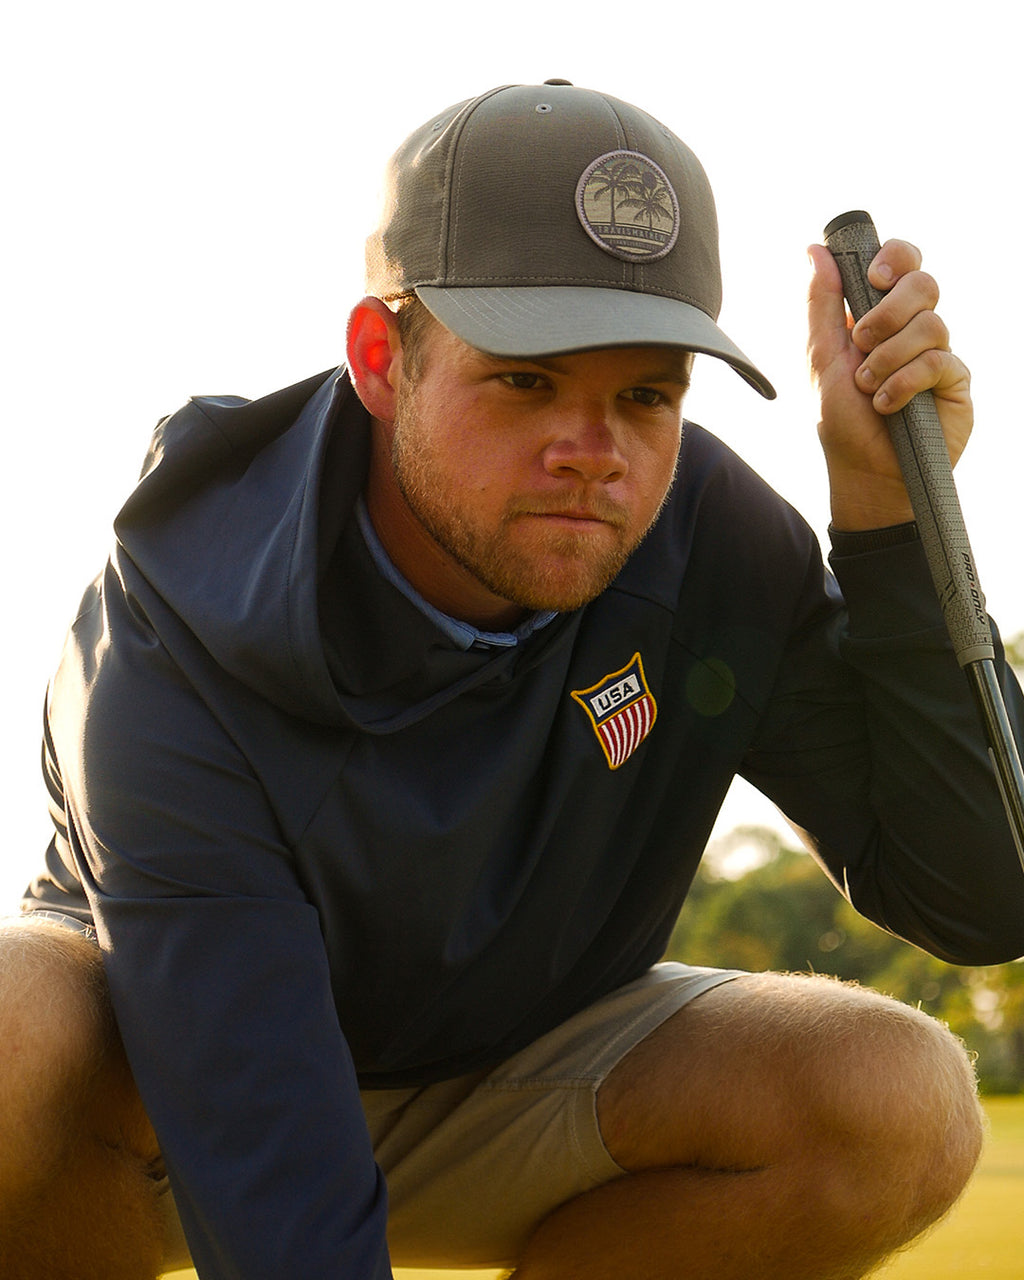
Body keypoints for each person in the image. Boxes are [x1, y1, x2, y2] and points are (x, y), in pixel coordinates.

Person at [4, 79, 1024, 1280]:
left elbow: (979, 895)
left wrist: (894, 526)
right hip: (164, 1095)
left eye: (645, 394)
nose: (590, 453)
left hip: (522, 1077)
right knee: (13, 1016)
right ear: (383, 359)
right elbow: (261, 1140)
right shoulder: (175, 618)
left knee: (895, 1093)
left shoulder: (714, 542)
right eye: (525, 380)